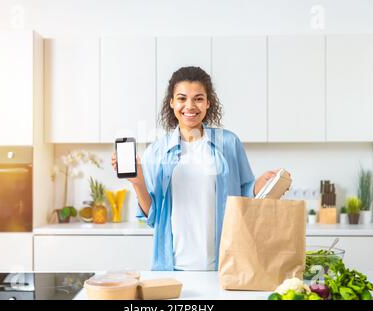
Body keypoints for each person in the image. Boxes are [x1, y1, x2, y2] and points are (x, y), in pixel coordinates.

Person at [111, 66, 282, 271]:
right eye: (182, 98)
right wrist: (137, 181)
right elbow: (152, 216)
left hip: (224, 264)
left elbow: (244, 195)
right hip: (172, 265)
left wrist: (259, 184)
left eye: (198, 98)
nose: (190, 106)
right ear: (172, 102)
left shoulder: (228, 142)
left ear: (208, 102)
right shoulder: (156, 151)